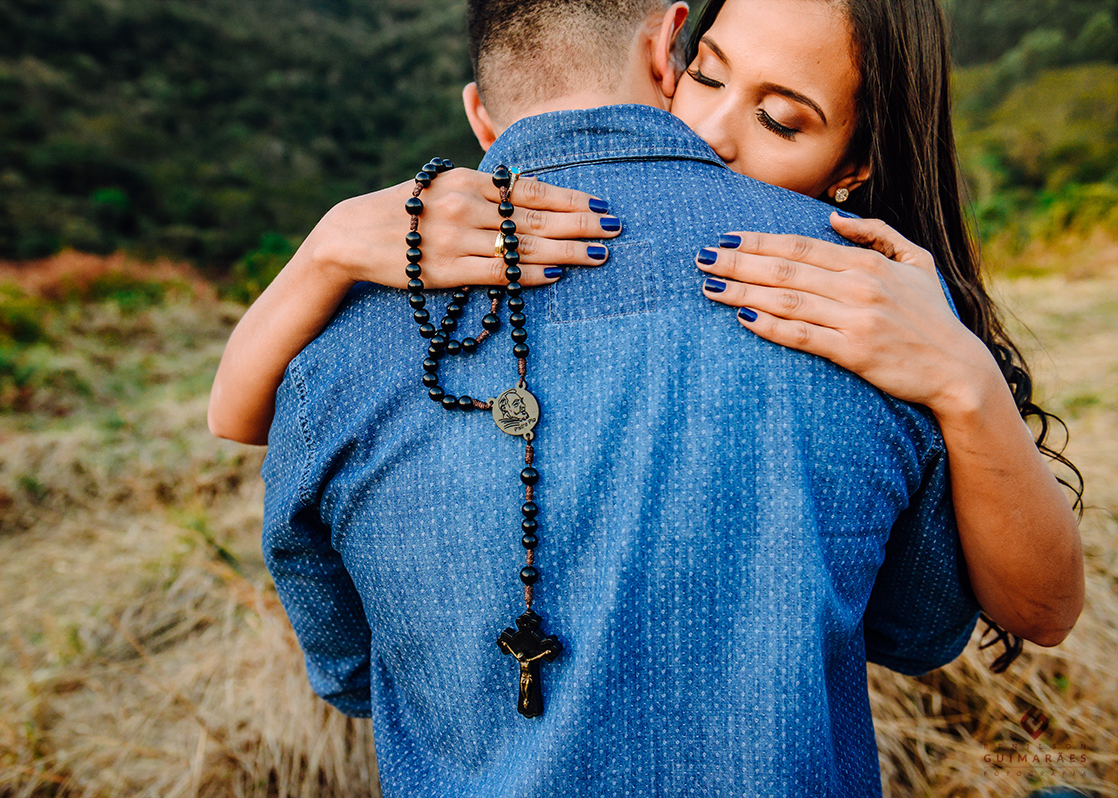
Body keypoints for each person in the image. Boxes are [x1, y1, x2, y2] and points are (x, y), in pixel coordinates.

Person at [255, 1, 1056, 794]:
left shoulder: (890, 317)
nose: (707, 133)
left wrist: (966, 374)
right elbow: (918, 631)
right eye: (706, 74)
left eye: (781, 119)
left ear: (856, 167)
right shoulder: (877, 324)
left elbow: (354, 671)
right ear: (669, 48)